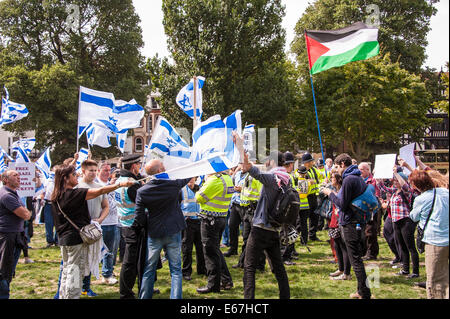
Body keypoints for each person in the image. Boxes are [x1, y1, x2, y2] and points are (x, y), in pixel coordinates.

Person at [51, 165, 133, 299]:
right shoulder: (73, 194)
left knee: (67, 270)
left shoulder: (57, 195)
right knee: (75, 272)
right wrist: (120, 184)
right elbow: (99, 190)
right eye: (73, 174)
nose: (76, 176)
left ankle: (64, 296)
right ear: (65, 178)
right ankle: (71, 296)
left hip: (64, 239)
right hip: (75, 240)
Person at [236, 146, 291, 299]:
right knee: (279, 268)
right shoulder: (287, 179)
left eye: (267, 160)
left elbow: (249, 168)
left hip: (260, 228)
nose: (266, 162)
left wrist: (240, 148)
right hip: (274, 229)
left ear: (272, 161)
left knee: (249, 267)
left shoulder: (272, 178)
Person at [135, 159, 192, 299]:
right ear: (160, 170)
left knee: (149, 268)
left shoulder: (142, 191)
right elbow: (188, 176)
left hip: (155, 232)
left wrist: (147, 225)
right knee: (176, 270)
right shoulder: (172, 184)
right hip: (173, 230)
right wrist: (192, 164)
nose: (165, 167)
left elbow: (139, 217)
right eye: (163, 166)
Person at [322, 153, 371, 299]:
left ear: (343, 164)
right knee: (356, 259)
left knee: (356, 260)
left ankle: (365, 293)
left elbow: (341, 204)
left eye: (337, 166)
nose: (336, 170)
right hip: (355, 221)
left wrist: (330, 193)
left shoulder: (349, 179)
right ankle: (361, 291)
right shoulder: (355, 177)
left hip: (350, 223)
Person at [409, 170, 449, 299]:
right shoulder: (445, 192)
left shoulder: (421, 199)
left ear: (415, 185)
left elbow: (414, 217)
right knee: (445, 277)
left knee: (435, 278)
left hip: (435, 241)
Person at [195, 169, 234, 294]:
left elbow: (198, 197)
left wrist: (204, 182)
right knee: (215, 251)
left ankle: (213, 285)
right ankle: (226, 280)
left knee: (210, 253)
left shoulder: (213, 180)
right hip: (221, 218)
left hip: (209, 221)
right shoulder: (227, 178)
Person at [376, 167, 420, 278]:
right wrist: (379, 178)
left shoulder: (407, 191)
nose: (395, 182)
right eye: (394, 180)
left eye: (396, 180)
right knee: (402, 246)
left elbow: (404, 185)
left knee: (410, 246)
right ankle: (405, 269)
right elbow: (383, 188)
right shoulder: (395, 192)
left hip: (405, 221)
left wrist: (396, 173)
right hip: (396, 221)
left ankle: (415, 271)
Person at [77, 159, 109, 297]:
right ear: (83, 171)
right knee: (78, 259)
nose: (94, 173)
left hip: (94, 228)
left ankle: (86, 287)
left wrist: (100, 220)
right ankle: (74, 286)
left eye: (95, 170)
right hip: (78, 227)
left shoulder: (99, 187)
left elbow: (106, 206)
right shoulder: (77, 187)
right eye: (91, 170)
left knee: (91, 257)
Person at [114, 154, 144, 299]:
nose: (140, 167)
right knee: (130, 262)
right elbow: (143, 202)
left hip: (126, 224)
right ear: (133, 166)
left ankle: (139, 287)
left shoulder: (120, 180)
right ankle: (126, 293)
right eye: (139, 164)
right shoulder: (132, 184)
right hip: (134, 226)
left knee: (133, 260)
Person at [0, 170, 32, 299]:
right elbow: (25, 214)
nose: (19, 177)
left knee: (8, 269)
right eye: (15, 175)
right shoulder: (6, 195)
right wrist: (26, 212)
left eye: (19, 176)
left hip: (15, 235)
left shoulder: (13, 194)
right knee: (4, 270)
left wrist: (25, 212)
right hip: (7, 236)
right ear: (6, 179)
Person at [234, 162, 263, 270]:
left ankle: (259, 265)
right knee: (246, 238)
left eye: (243, 164)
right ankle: (243, 262)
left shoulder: (257, 177)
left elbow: (262, 194)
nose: (240, 166)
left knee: (256, 239)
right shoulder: (246, 176)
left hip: (255, 210)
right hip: (247, 210)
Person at [96, 161, 120, 285]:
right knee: (98, 250)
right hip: (101, 221)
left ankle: (107, 273)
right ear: (99, 171)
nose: (108, 173)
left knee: (111, 250)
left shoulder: (111, 183)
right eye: (105, 170)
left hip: (113, 220)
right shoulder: (97, 184)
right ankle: (100, 273)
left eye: (109, 170)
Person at [180, 177, 206, 281]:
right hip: (187, 222)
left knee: (200, 247)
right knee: (187, 248)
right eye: (189, 179)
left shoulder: (199, 188)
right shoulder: (181, 190)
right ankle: (186, 271)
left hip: (199, 221)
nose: (191, 181)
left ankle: (202, 269)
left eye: (193, 179)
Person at [327, 172, 352, 281]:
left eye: (332, 177)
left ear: (338, 179)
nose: (330, 179)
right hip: (334, 220)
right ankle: (341, 268)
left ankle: (346, 273)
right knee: (337, 245)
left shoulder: (342, 191)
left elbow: (340, 204)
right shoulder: (336, 190)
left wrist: (331, 194)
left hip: (340, 220)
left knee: (343, 247)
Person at [358, 162, 380, 260]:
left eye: (362, 169)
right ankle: (363, 251)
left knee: (370, 231)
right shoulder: (358, 180)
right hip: (361, 209)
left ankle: (372, 253)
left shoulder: (373, 181)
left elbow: (375, 194)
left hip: (371, 209)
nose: (360, 171)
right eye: (359, 169)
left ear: (368, 170)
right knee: (362, 231)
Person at [224, 164, 246, 257]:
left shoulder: (250, 175)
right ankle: (233, 249)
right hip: (235, 203)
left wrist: (242, 189)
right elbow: (231, 183)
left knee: (245, 231)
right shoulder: (237, 174)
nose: (241, 165)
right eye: (240, 163)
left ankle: (245, 252)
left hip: (244, 205)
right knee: (232, 226)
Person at [302, 153, 322, 241]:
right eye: (311, 161)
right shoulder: (301, 170)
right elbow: (300, 181)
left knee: (315, 216)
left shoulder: (314, 169)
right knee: (303, 218)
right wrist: (309, 182)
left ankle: (312, 235)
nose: (312, 162)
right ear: (306, 163)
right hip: (306, 197)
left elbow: (321, 175)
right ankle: (301, 234)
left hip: (314, 196)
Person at [294, 165, 314, 246]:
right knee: (304, 224)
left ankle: (294, 239)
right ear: (305, 173)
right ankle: (304, 241)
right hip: (305, 205)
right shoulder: (308, 182)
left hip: (297, 204)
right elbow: (308, 192)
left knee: (295, 223)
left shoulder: (295, 182)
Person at [42, 166, 58, 248]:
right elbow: (42, 190)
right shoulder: (47, 180)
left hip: (57, 204)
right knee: (49, 223)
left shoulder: (60, 182)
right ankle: (49, 241)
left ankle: (57, 240)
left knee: (58, 222)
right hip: (48, 204)